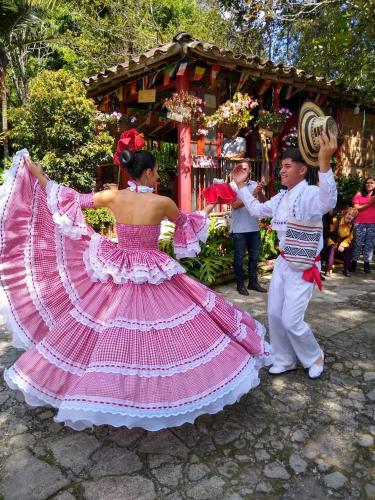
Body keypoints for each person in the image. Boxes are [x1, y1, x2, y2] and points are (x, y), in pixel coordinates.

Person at [0, 148, 271, 431]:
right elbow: (190, 224)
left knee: (107, 325)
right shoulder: (162, 202)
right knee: (163, 328)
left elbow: (66, 197)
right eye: (156, 171)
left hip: (119, 264)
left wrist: (37, 174)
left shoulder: (113, 196)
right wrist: (224, 193)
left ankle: (110, 390)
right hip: (152, 268)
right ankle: (158, 393)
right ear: (151, 173)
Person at [232, 131, 337, 379]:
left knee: (291, 319)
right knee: (275, 314)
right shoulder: (281, 197)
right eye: (282, 167)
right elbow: (257, 210)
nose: (282, 171)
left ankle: (314, 355)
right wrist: (240, 186)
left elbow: (328, 200)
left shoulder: (310, 193)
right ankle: (285, 359)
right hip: (283, 262)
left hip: (304, 265)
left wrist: (324, 162)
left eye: (287, 166)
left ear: (302, 170)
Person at [229, 161, 267, 295]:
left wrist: (260, 192)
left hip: (254, 227)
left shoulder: (255, 185)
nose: (243, 170)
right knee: (239, 259)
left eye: (246, 168)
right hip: (239, 229)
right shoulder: (232, 186)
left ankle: (253, 283)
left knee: (254, 258)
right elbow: (235, 205)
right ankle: (240, 285)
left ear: (250, 170)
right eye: (241, 168)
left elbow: (264, 203)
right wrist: (254, 194)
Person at [350, 177, 375, 274]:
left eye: (372, 183)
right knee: (357, 243)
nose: (369, 184)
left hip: (373, 223)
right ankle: (354, 262)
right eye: (367, 183)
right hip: (359, 223)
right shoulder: (359, 195)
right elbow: (356, 208)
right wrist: (370, 202)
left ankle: (366, 264)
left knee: (370, 245)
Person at [325, 207, 358, 277]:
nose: (350, 217)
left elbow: (350, 238)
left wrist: (343, 245)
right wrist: (332, 243)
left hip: (341, 248)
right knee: (332, 248)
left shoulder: (351, 225)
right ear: (345, 213)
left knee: (349, 247)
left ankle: (346, 270)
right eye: (349, 214)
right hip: (331, 245)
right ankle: (328, 269)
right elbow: (327, 234)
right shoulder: (335, 221)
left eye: (352, 216)